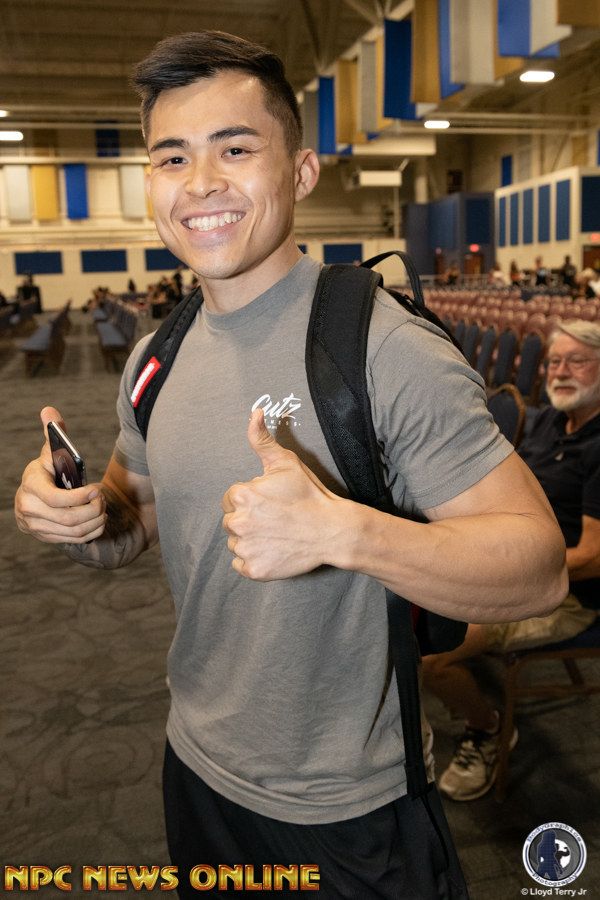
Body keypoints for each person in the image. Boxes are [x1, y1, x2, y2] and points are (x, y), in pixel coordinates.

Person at [15, 31, 567, 899]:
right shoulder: (156, 357)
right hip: (196, 763)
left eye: (235, 149)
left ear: (302, 172)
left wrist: (346, 534)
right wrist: (79, 516)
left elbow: (539, 571)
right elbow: (135, 522)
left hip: (346, 808)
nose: (201, 182)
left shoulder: (382, 348)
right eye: (172, 157)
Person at [423, 319, 600, 802]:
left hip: (568, 596)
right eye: (555, 362)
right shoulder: (549, 422)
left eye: (577, 361)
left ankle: (488, 728)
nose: (560, 372)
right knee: (408, 601)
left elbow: (591, 557)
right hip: (517, 562)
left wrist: (501, 564)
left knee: (432, 653)